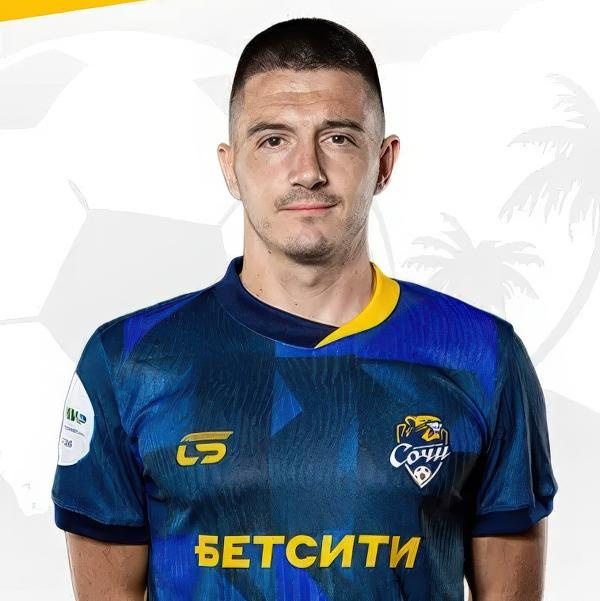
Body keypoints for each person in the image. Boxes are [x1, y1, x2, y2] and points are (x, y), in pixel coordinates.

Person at [51, 17, 558, 601]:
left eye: (338, 138)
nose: (308, 171)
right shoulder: (129, 361)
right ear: (229, 166)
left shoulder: (482, 355)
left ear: (384, 162)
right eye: (273, 140)